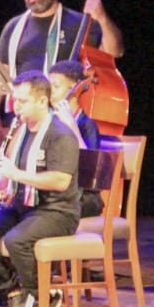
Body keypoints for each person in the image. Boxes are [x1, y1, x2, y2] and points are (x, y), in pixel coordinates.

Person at [0, 70, 81, 307]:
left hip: (56, 211)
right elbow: (13, 176)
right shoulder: (20, 132)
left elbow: (60, 181)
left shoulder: (60, 135)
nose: (15, 107)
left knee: (15, 240)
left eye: (22, 101)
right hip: (24, 206)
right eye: (14, 100)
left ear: (42, 101)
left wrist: (16, 175)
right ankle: (14, 291)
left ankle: (45, 296)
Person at [0, 0, 122, 137]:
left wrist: (102, 17)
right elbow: (0, 73)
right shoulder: (13, 26)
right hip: (19, 117)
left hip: (60, 117)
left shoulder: (79, 23)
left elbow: (113, 53)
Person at [48, 60, 102, 216]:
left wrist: (72, 125)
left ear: (73, 88)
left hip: (84, 197)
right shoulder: (49, 121)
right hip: (56, 191)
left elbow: (90, 171)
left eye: (56, 86)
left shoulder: (87, 125)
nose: (50, 91)